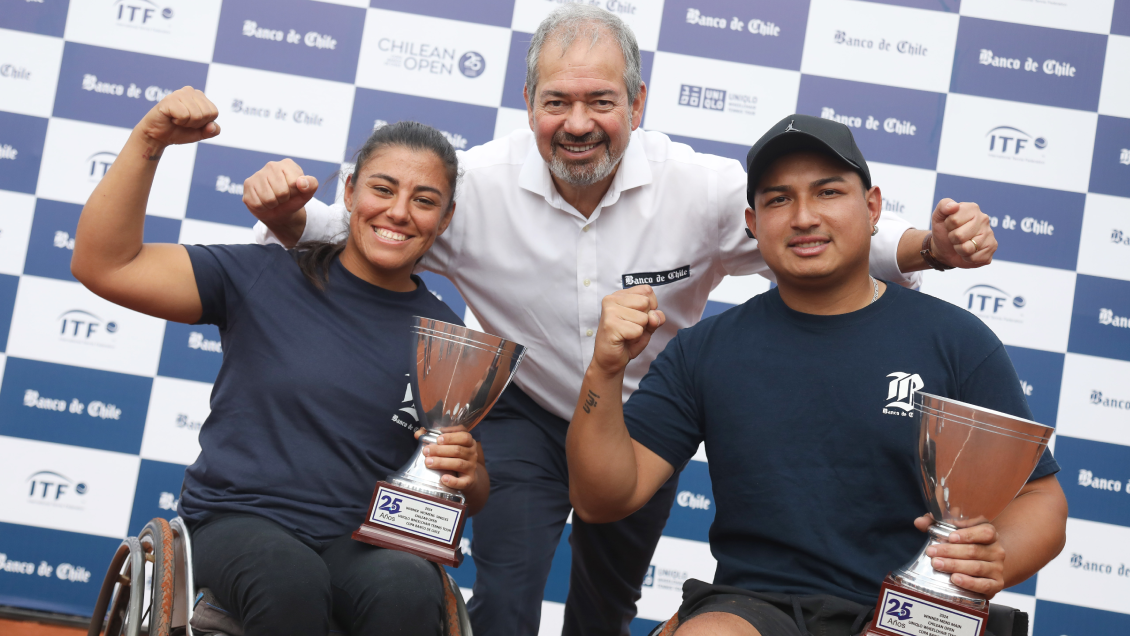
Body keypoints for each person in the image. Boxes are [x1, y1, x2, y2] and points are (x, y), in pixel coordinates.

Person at [245, 7, 1000, 634]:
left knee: (605, 606)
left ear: (637, 105)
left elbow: (811, 231)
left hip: (641, 425)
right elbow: (368, 225)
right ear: (530, 104)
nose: (578, 124)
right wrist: (288, 216)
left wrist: (930, 247)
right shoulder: (470, 187)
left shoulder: (700, 188)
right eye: (557, 103)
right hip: (526, 413)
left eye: (601, 102)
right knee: (506, 596)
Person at [565, 114, 1068, 636]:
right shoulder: (706, 349)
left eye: (827, 192)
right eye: (779, 199)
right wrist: (604, 369)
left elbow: (1041, 499)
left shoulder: (955, 340)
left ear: (872, 207)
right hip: (752, 608)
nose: (804, 216)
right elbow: (603, 499)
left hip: (912, 613)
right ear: (753, 223)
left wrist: (995, 558)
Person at [70, 87, 486, 636]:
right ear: (350, 190)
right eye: (383, 189)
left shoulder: (447, 338)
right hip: (237, 520)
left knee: (409, 588)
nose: (399, 212)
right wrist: (151, 141)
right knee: (288, 579)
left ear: (446, 216)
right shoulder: (263, 274)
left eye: (425, 200)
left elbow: (469, 492)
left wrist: (470, 470)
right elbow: (105, 265)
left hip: (358, 537)